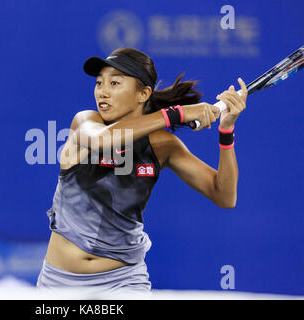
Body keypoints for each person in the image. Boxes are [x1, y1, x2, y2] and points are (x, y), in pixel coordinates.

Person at [36, 47, 247, 293]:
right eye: (99, 83)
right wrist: (176, 114)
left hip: (124, 281)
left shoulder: (163, 145)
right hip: (59, 283)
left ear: (143, 93)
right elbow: (105, 140)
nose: (102, 92)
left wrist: (226, 130)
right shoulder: (85, 122)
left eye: (114, 83)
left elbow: (224, 195)